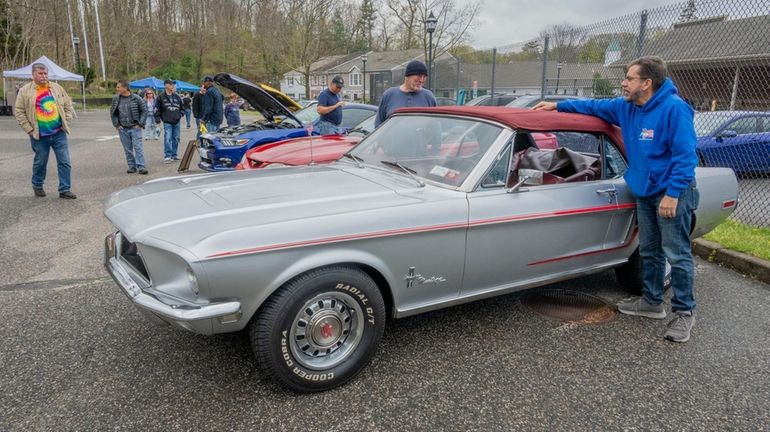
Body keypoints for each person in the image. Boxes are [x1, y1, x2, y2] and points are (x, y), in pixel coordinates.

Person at [533, 56, 699, 343]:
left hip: (673, 191)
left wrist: (672, 194)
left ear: (646, 83)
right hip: (644, 190)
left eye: (630, 78)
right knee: (649, 249)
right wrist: (557, 105)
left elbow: (686, 157)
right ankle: (652, 302)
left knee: (677, 253)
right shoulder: (627, 107)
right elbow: (593, 105)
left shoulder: (674, 110)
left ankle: (685, 313)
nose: (623, 83)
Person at [13, 63, 77, 199]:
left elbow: (67, 104)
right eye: (40, 74)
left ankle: (65, 189)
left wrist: (67, 118)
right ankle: (37, 184)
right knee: (40, 162)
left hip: (59, 132)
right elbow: (19, 111)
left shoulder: (56, 87)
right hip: (39, 134)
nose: (44, 76)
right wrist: (29, 129)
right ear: (33, 75)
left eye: (45, 73)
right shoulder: (25, 91)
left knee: (65, 161)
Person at [375, 60, 437, 127]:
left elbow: (435, 126)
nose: (421, 80)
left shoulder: (429, 97)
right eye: (418, 75)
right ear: (407, 76)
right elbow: (379, 125)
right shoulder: (389, 95)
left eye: (424, 77)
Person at [110, 80, 148, 175]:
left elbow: (144, 110)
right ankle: (132, 166)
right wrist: (117, 125)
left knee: (138, 147)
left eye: (118, 87)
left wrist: (140, 123)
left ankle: (141, 167)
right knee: (127, 149)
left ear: (125, 88)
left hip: (135, 127)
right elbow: (113, 113)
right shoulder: (116, 99)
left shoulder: (137, 98)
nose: (117, 89)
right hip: (123, 128)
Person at [155, 79, 184, 163]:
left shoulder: (177, 96)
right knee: (168, 138)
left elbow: (182, 108)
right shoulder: (160, 97)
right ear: (166, 86)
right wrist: (158, 120)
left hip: (177, 121)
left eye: (173, 85)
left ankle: (174, 155)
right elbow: (157, 110)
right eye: (171, 85)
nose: (173, 86)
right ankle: (167, 155)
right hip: (167, 122)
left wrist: (180, 114)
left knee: (176, 138)